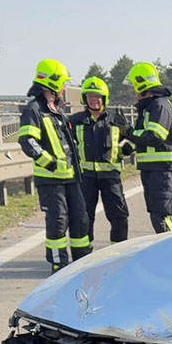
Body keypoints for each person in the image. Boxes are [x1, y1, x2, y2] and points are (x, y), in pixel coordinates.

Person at [18, 59, 91, 272]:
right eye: (63, 84)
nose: (65, 88)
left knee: (80, 218)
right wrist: (50, 163)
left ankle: (82, 261)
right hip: (51, 180)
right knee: (58, 221)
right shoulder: (34, 110)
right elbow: (27, 141)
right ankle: (59, 264)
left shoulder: (56, 110)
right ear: (53, 84)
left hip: (70, 177)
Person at [69, 77, 130, 244]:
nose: (93, 100)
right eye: (90, 96)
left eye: (97, 96)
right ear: (84, 98)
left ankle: (117, 252)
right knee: (84, 217)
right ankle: (84, 254)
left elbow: (133, 137)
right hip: (86, 178)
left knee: (119, 216)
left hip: (111, 177)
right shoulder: (75, 121)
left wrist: (127, 148)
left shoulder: (116, 119)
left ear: (104, 98)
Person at [123, 62, 172, 233]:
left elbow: (155, 137)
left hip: (163, 169)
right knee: (156, 215)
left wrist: (128, 132)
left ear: (142, 85)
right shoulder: (149, 107)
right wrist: (127, 147)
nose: (134, 92)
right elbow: (142, 135)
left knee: (161, 217)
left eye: (134, 86)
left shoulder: (160, 106)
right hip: (152, 169)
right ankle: (167, 252)